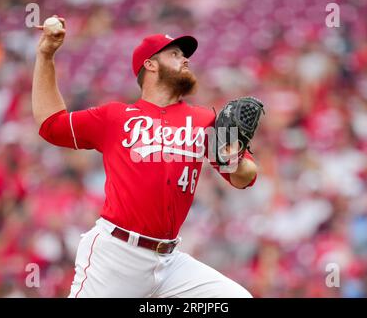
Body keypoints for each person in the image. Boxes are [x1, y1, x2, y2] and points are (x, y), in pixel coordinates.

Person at [32, 16, 258, 298]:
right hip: (117, 255)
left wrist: (232, 155)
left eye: (184, 55)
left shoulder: (204, 120)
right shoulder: (114, 117)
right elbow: (50, 125)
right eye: (174, 54)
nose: (185, 59)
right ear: (150, 64)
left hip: (170, 261)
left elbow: (244, 178)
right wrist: (46, 55)